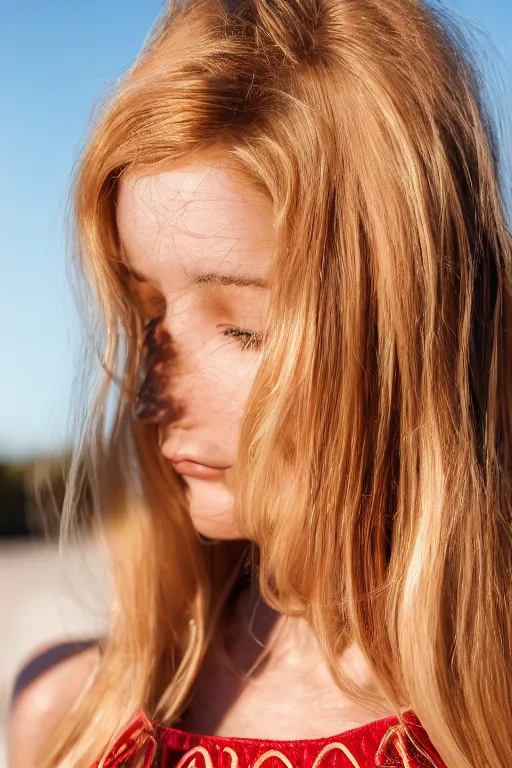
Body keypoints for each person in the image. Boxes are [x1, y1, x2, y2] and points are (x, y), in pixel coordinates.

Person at [7, 0, 512, 766]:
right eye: (147, 318)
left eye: (243, 328)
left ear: (409, 333)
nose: (152, 395)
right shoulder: (71, 717)